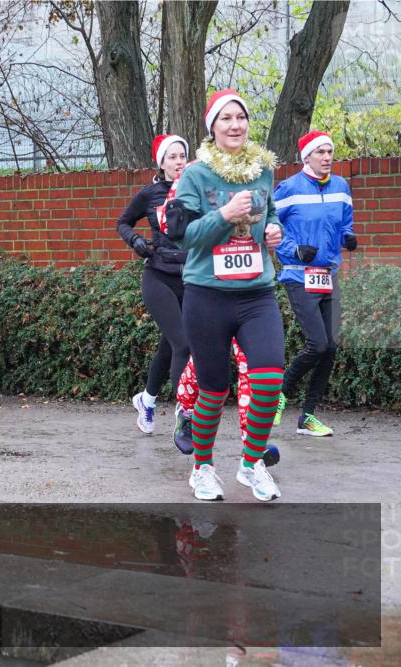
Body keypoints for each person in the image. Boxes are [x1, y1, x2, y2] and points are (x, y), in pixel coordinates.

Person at [165, 89, 285, 502]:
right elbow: (184, 239)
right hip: (207, 295)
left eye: (241, 117)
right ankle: (202, 468)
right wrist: (225, 214)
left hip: (257, 294)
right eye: (226, 119)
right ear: (212, 128)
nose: (235, 125)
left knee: (269, 379)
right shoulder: (194, 176)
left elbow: (269, 215)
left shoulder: (263, 171)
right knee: (213, 389)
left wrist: (274, 231)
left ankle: (251, 466)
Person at [273, 130, 357, 437]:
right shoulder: (288, 188)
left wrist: (348, 237)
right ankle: (276, 396)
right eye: (320, 152)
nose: (326, 158)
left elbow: (345, 220)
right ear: (306, 156)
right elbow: (271, 226)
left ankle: (307, 416)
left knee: (331, 347)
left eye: (329, 152)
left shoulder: (341, 186)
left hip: (328, 274)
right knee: (317, 343)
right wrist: (293, 249)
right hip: (298, 274)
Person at [116, 134, 189, 434]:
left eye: (182, 156)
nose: (178, 162)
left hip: (190, 278)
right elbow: (123, 222)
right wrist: (135, 241)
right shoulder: (149, 194)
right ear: (161, 162)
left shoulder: (195, 190)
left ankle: (146, 400)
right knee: (184, 344)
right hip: (158, 277)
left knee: (169, 348)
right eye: (172, 157)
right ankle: (185, 412)